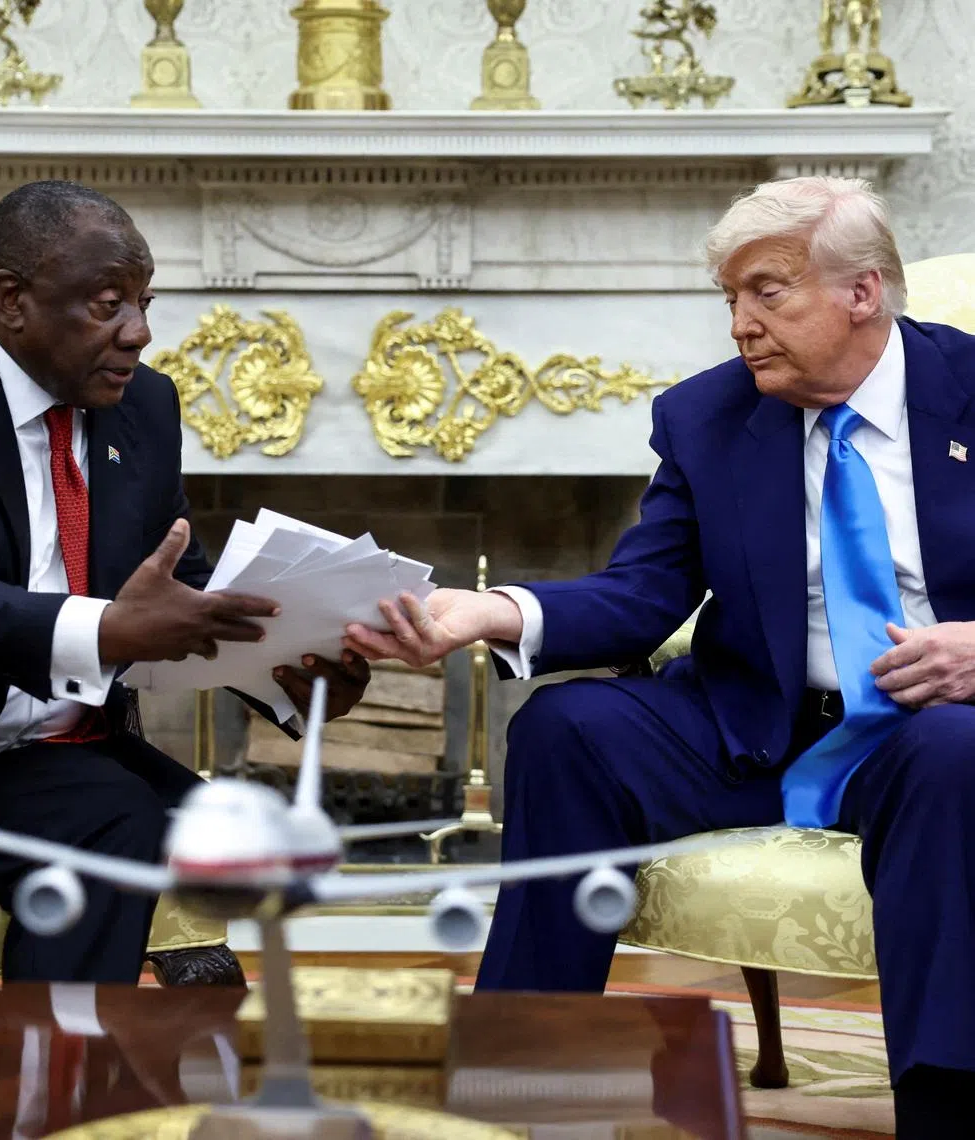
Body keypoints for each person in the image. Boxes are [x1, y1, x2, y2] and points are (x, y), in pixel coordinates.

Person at [344, 175, 975, 1138]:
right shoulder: (706, 417)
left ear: (864, 292)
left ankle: (945, 1106)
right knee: (567, 727)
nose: (741, 324)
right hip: (755, 724)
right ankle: (521, 1070)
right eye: (729, 299)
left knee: (953, 757)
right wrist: (487, 612)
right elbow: (643, 596)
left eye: (767, 291)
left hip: (928, 734)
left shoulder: (968, 390)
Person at [0, 180, 369, 1134]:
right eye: (107, 302)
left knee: (119, 824)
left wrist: (287, 663)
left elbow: (172, 586)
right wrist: (102, 631)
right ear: (12, 301)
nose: (139, 334)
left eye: (146, 302)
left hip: (33, 751)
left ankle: (41, 1102)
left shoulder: (144, 408)